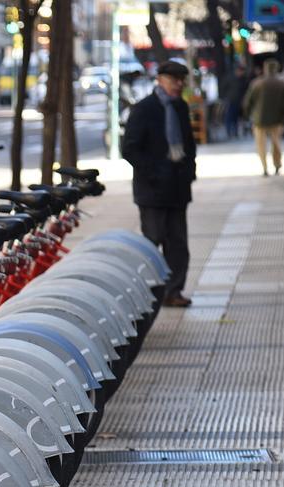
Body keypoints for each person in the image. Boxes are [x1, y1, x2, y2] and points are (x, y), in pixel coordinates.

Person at [121, 60, 197, 308]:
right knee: (152, 243)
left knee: (178, 245)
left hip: (177, 189)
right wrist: (154, 172)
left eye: (181, 80)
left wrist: (188, 172)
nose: (179, 84)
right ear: (160, 80)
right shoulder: (144, 109)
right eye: (174, 79)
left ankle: (173, 291)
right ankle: (150, 293)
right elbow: (130, 149)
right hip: (152, 191)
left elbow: (188, 144)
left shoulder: (180, 107)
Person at [243, 59, 284, 176]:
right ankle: (277, 165)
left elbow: (248, 102)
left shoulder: (257, 83)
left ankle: (264, 167)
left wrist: (247, 115)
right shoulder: (282, 85)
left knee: (261, 144)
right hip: (276, 120)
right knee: (276, 144)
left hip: (259, 120)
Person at [222, 63, 249, 139]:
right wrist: (225, 98)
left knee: (236, 118)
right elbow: (223, 88)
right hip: (230, 100)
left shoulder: (243, 79)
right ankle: (229, 132)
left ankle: (235, 132)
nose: (241, 73)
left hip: (239, 101)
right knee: (229, 117)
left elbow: (246, 90)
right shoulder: (229, 78)